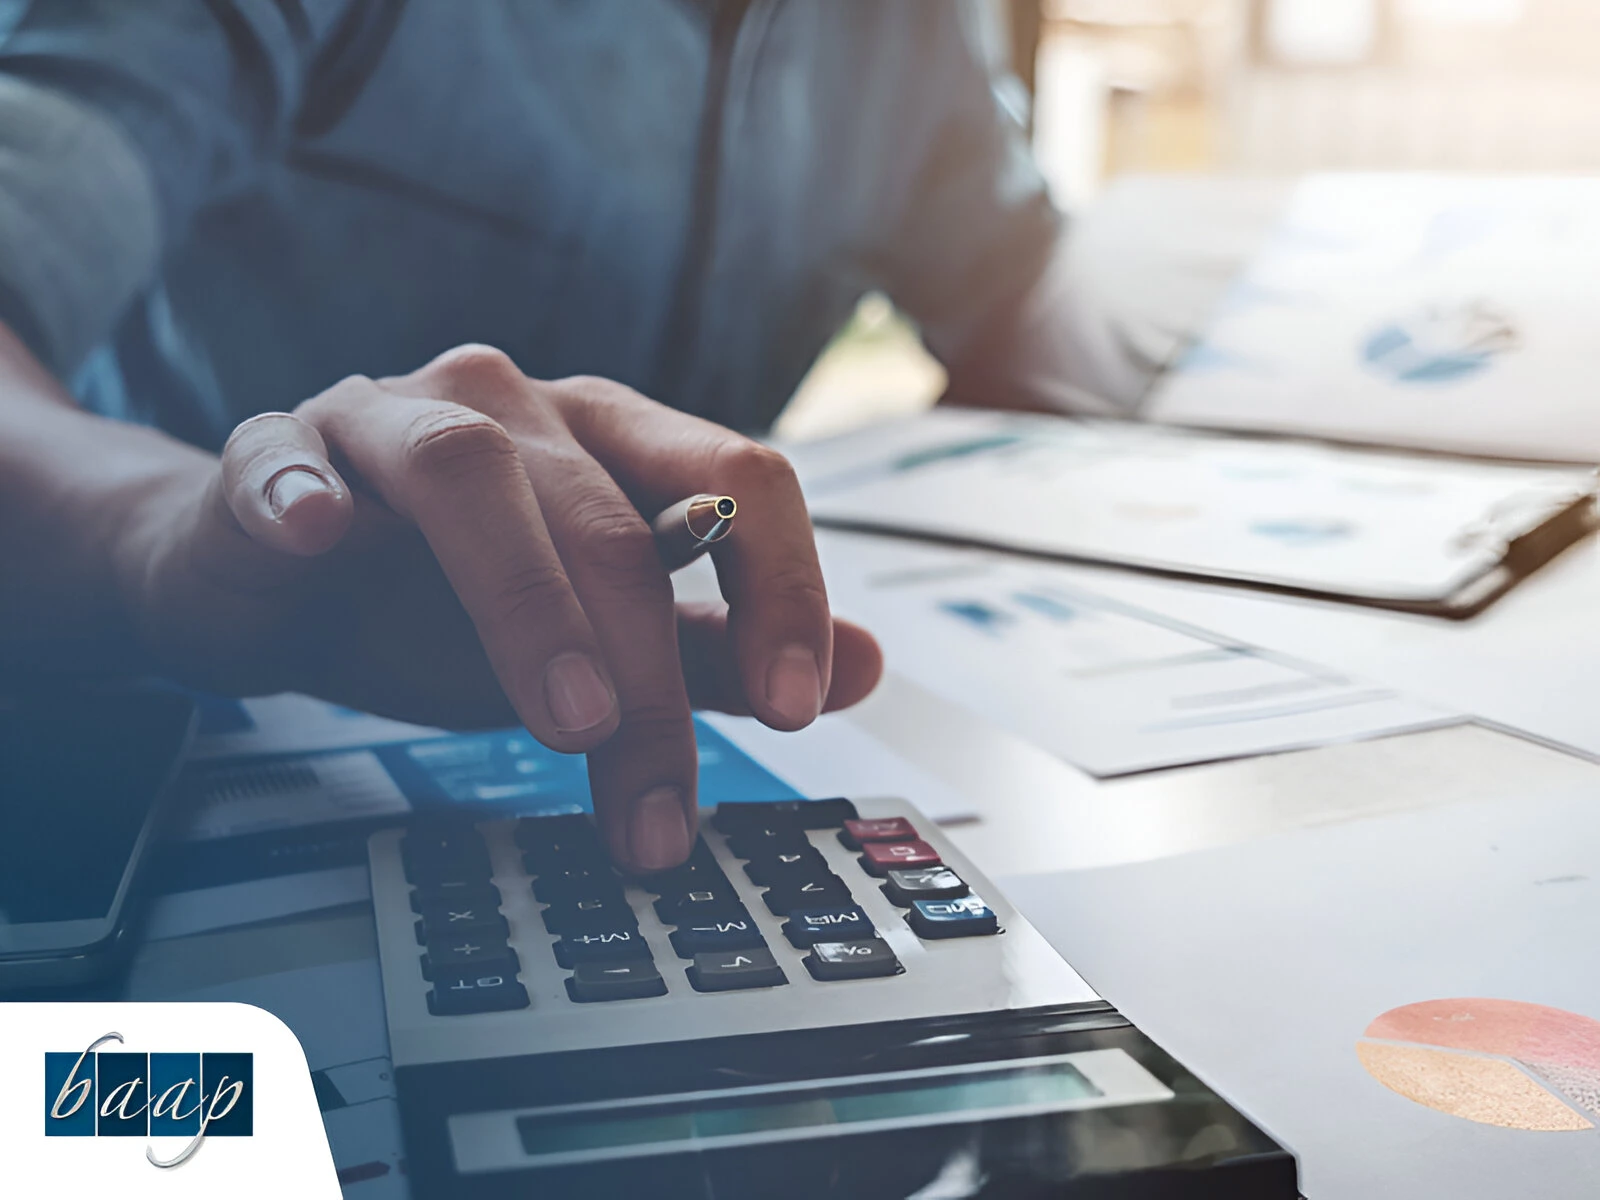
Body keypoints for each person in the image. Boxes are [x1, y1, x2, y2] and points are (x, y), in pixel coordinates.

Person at [0, 0, 1134, 871]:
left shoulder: (902, 27)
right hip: (154, 762)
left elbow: (1019, 303)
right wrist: (149, 534)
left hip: (651, 754)